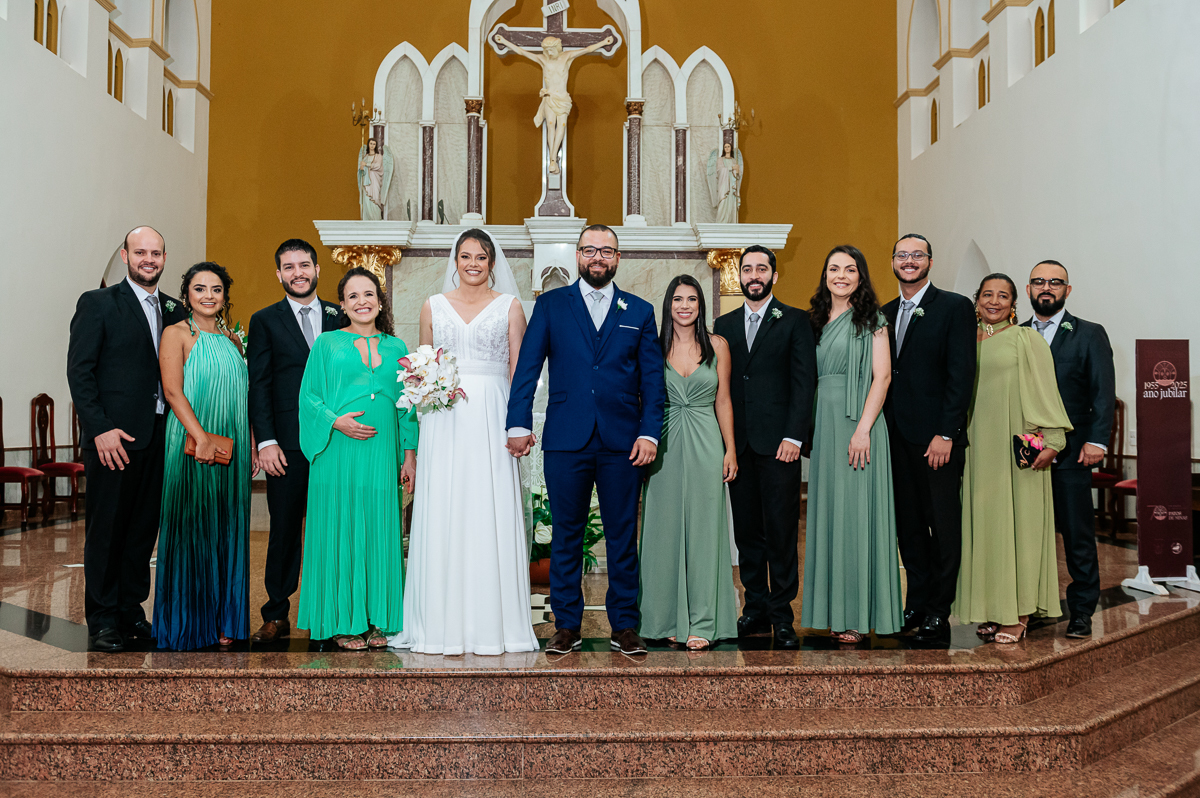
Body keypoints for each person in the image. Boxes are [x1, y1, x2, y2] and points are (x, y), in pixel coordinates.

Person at [506, 224, 665, 656]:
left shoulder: (640, 311)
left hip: (623, 442)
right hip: (566, 439)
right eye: (590, 249)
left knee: (620, 536)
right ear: (578, 255)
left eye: (607, 251)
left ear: (617, 258)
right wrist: (516, 422)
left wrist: (649, 431)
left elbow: (652, 381)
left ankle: (625, 625)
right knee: (565, 536)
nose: (598, 257)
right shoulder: (553, 305)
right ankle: (567, 626)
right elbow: (527, 368)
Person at [391, 229, 539, 655]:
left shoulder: (510, 307)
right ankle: (439, 623)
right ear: (454, 261)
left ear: (493, 263)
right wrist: (417, 436)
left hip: (493, 415)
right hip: (444, 418)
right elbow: (420, 370)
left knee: (487, 506)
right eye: (465, 256)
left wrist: (519, 425)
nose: (473, 263)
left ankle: (496, 624)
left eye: (481, 257)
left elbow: (521, 372)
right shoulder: (432, 307)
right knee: (445, 507)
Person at [67, 226, 189, 652]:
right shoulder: (98, 303)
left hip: (160, 436)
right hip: (113, 439)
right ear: (125, 255)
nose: (148, 260)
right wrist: (99, 428)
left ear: (165, 257)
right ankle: (102, 620)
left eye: (155, 253)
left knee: (142, 530)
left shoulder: (176, 309)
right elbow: (80, 372)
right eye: (140, 252)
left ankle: (131, 612)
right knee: (108, 531)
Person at [297, 267, 417, 650]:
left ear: (380, 302)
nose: (362, 302)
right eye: (353, 296)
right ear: (343, 305)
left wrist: (409, 458)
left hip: (382, 455)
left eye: (369, 294)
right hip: (337, 452)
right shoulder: (327, 344)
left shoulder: (397, 348)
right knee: (341, 529)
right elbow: (308, 398)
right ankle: (341, 622)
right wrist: (336, 422)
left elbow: (408, 408)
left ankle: (377, 618)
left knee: (379, 531)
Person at [953, 273, 1072, 644]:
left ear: (1013, 303)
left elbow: (1044, 389)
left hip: (1014, 445)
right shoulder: (962, 340)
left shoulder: (1026, 339)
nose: (994, 301)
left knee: (1018, 526)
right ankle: (992, 608)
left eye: (1002, 296)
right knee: (985, 528)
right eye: (987, 294)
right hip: (974, 447)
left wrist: (1051, 440)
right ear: (976, 300)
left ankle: (1018, 613)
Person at [713, 245, 818, 650]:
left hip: (780, 447)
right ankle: (754, 607)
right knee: (747, 532)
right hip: (738, 446)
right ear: (739, 276)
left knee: (781, 531)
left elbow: (803, 381)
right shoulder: (723, 324)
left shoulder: (795, 321)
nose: (754, 274)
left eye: (761, 268)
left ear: (774, 276)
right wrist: (725, 445)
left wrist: (794, 436)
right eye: (747, 268)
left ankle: (782, 614)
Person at [247, 239, 347, 644]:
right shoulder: (265, 320)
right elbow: (260, 385)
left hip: (334, 443)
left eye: (304, 264)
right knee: (285, 529)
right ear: (279, 274)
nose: (297, 272)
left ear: (317, 269)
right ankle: (276, 613)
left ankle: (331, 613)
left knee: (330, 528)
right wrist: (266, 441)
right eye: (288, 267)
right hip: (286, 444)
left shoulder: (341, 316)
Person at [801, 246, 902, 643]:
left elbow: (883, 377)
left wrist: (863, 429)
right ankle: (831, 611)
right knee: (829, 517)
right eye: (833, 269)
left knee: (858, 518)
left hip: (860, 425)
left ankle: (859, 615)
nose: (840, 275)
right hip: (825, 427)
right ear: (824, 274)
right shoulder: (813, 320)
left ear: (861, 276)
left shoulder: (873, 320)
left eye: (849, 269)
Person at [881, 234, 977, 644]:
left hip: (937, 441)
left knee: (943, 525)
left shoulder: (954, 307)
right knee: (910, 527)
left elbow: (961, 376)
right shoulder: (883, 313)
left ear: (930, 262)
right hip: (896, 439)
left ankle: (939, 610)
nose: (909, 261)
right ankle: (916, 602)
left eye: (916, 255)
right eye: (902, 255)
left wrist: (946, 433)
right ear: (893, 263)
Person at [153, 263, 254, 650]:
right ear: (186, 296)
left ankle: (224, 620)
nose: (209, 295)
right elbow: (173, 391)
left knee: (227, 527)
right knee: (192, 528)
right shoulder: (176, 334)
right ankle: (189, 623)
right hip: (193, 445)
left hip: (232, 449)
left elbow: (242, 397)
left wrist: (250, 443)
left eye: (216, 289)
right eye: (200, 289)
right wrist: (202, 439)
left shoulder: (233, 339)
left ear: (225, 296)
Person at [638, 274, 739, 650]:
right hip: (663, 445)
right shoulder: (652, 345)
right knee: (662, 533)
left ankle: (703, 621)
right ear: (668, 305)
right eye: (677, 299)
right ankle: (662, 618)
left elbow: (723, 400)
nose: (684, 305)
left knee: (704, 534)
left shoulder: (717, 345)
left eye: (692, 299)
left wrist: (730, 449)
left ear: (701, 305)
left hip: (706, 443)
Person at [1022, 260, 1115, 638]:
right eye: (1039, 282)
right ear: (1028, 288)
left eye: (1055, 283)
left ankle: (1080, 612)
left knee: (1077, 536)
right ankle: (1037, 607)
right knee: (1030, 536)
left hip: (1074, 453)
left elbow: (1102, 392)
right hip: (1026, 455)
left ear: (1067, 290)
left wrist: (1097, 440)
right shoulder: (1017, 333)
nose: (1047, 288)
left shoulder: (1089, 334)